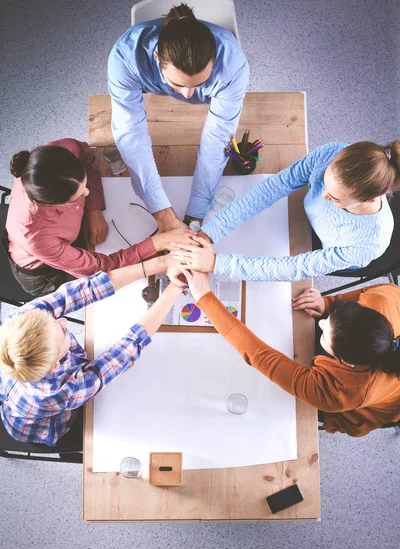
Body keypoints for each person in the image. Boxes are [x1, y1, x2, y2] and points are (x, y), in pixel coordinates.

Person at [181, 268, 400, 437]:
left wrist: (204, 297)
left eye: (325, 335)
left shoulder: (340, 393)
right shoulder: (384, 299)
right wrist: (327, 304)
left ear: (344, 362)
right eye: (330, 319)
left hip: (361, 408)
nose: (321, 325)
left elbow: (260, 356)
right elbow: (364, 294)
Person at [0, 258, 185, 446]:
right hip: (37, 427)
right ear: (55, 364)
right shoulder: (61, 391)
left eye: (52, 319)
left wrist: (161, 263)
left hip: (15, 394)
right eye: (63, 332)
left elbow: (87, 289)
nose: (63, 321)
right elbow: (125, 351)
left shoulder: (21, 320)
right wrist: (174, 289)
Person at [108, 3, 249, 232]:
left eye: (200, 83)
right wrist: (162, 213)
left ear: (214, 60)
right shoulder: (124, 57)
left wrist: (195, 215)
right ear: (156, 58)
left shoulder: (233, 64)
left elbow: (217, 137)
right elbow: (130, 133)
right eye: (177, 84)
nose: (187, 95)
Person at [170, 141, 400, 281]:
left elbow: (297, 267)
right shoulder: (332, 152)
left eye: (334, 197)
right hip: (304, 221)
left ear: (370, 198)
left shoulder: (369, 243)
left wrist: (216, 264)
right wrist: (209, 232)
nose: (322, 195)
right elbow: (276, 186)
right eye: (324, 183)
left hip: (331, 251)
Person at [5, 138, 194, 296]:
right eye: (77, 197)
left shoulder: (59, 153)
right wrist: (156, 243)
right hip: (44, 273)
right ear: (53, 205)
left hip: (64, 240)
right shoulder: (35, 236)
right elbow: (99, 269)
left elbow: (88, 158)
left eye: (84, 185)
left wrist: (93, 210)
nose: (87, 194)